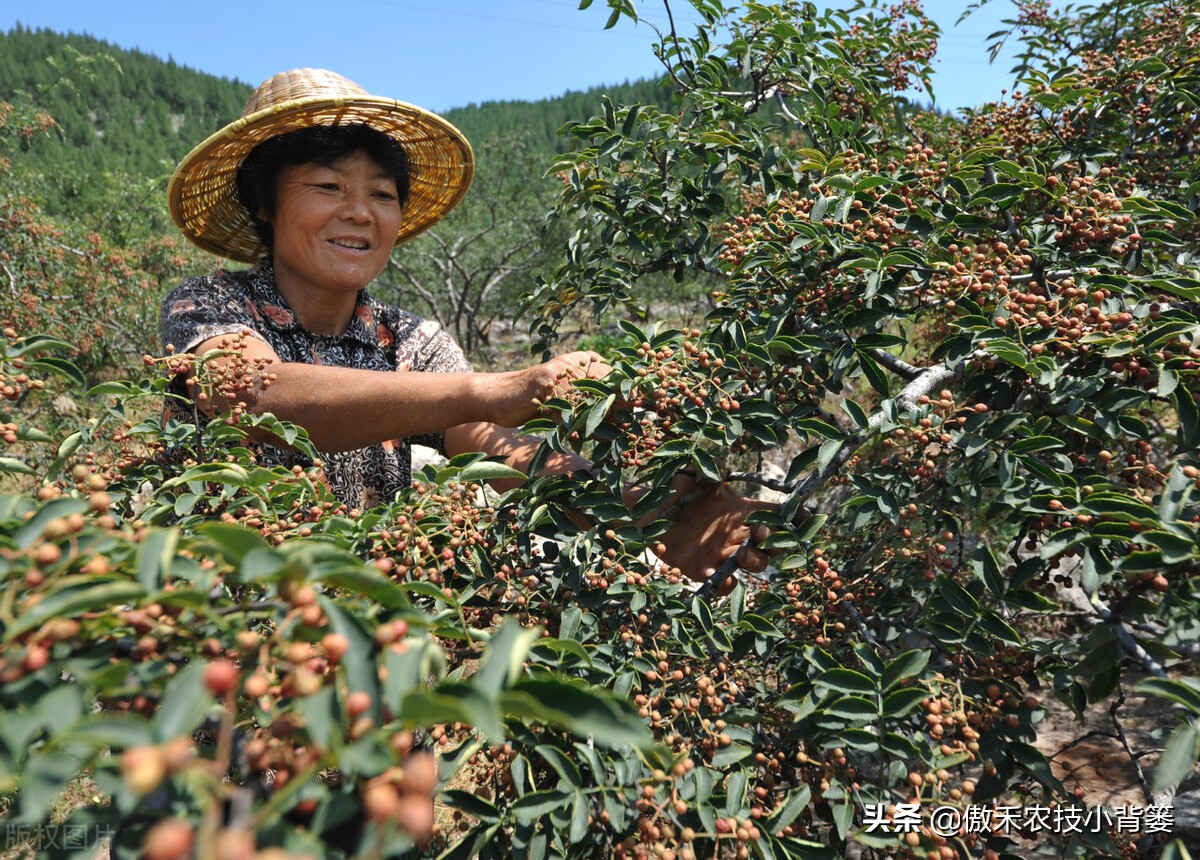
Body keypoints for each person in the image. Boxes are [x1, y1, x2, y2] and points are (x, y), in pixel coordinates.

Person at [162, 68, 767, 585]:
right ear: (265, 204)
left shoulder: (411, 342)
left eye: (382, 193)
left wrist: (649, 508)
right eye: (328, 186)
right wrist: (498, 388)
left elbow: (492, 445)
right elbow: (249, 391)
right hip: (233, 658)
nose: (359, 211)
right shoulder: (209, 305)